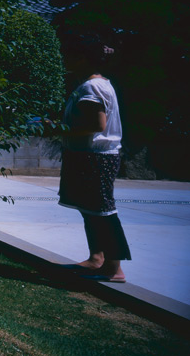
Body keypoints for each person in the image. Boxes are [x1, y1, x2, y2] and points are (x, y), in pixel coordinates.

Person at [54, 36, 130, 283]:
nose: (67, 61)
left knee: (102, 210)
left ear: (83, 59)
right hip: (91, 155)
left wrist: (57, 129)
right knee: (91, 209)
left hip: (95, 156)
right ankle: (97, 258)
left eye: (72, 56)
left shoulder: (91, 87)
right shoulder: (97, 84)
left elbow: (96, 125)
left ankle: (113, 267)